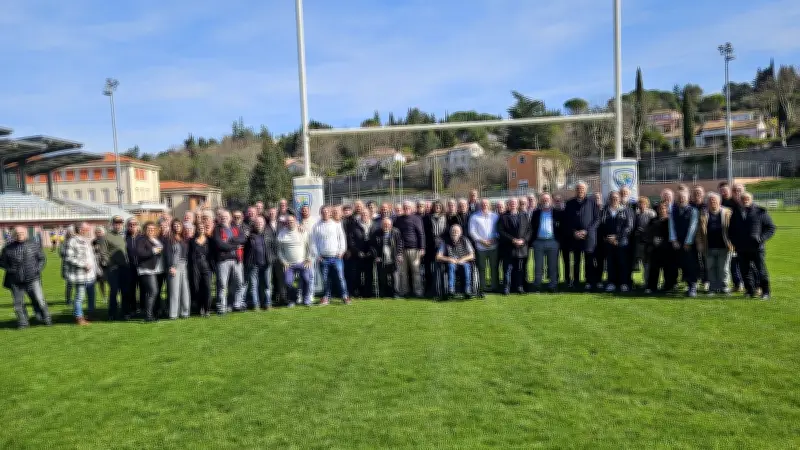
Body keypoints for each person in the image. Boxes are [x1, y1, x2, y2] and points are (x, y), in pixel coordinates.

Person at [0, 226, 52, 329]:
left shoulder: (34, 245)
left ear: (26, 234)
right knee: (18, 304)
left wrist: (36, 269)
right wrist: (10, 269)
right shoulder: (7, 248)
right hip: (15, 280)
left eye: (22, 233)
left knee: (39, 299)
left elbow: (42, 259)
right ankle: (23, 322)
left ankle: (46, 318)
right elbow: (1, 262)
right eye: (17, 234)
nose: (19, 235)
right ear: (14, 235)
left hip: (33, 278)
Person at [730, 192, 776, 300]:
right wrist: (734, 242)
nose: (745, 200)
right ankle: (749, 291)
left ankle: (766, 292)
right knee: (745, 271)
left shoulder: (760, 212)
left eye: (747, 198)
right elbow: (731, 230)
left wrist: (761, 239)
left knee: (761, 270)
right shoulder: (736, 213)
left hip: (757, 248)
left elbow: (771, 228)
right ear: (740, 200)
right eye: (743, 199)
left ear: (751, 199)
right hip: (741, 248)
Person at [565, 182, 600, 291]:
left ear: (586, 190)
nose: (580, 190)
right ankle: (575, 281)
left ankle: (588, 281)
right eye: (578, 189)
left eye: (582, 189)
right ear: (575, 190)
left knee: (589, 261)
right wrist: (574, 232)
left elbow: (597, 219)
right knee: (576, 261)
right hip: (575, 237)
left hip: (588, 237)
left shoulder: (592, 202)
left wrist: (586, 231)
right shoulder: (569, 203)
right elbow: (566, 220)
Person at [696, 193, 733, 295]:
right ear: (707, 202)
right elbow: (698, 231)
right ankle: (712, 288)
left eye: (714, 200)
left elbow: (734, 229)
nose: (712, 202)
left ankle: (724, 287)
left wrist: (733, 242)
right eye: (710, 200)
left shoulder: (727, 213)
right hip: (708, 246)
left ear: (719, 201)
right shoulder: (703, 214)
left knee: (724, 268)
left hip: (724, 246)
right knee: (711, 268)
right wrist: (699, 243)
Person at [211, 210, 246, 314]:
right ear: (219, 218)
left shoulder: (236, 228)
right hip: (223, 261)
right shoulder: (217, 230)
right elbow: (220, 244)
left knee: (239, 283)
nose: (224, 218)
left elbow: (243, 239)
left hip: (237, 260)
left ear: (230, 218)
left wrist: (229, 241)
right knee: (222, 285)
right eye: (222, 217)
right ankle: (222, 307)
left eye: (226, 216)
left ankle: (237, 304)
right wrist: (235, 246)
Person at [312, 206, 348, 305]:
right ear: (320, 213)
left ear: (330, 213)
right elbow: (313, 243)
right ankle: (326, 298)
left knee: (340, 278)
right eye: (323, 212)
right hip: (323, 258)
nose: (325, 213)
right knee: (325, 280)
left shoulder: (336, 224)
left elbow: (342, 239)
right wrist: (317, 255)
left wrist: (341, 252)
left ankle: (345, 296)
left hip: (336, 257)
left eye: (327, 212)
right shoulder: (317, 226)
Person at [598, 191, 634, 292]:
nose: (614, 199)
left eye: (616, 198)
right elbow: (600, 226)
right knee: (610, 263)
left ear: (619, 199)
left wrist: (617, 238)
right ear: (609, 199)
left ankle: (624, 283)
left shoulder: (625, 210)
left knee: (622, 263)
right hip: (608, 242)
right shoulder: (604, 211)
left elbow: (629, 226)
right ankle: (611, 283)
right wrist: (605, 237)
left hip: (622, 242)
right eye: (612, 198)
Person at [64, 222, 98, 325]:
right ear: (80, 230)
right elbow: (69, 258)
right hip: (80, 275)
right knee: (79, 297)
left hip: (91, 274)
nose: (89, 231)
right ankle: (79, 317)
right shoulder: (73, 241)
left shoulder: (87, 240)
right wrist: (83, 265)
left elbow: (91, 257)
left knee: (92, 296)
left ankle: (91, 315)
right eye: (87, 229)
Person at [278, 216, 315, 306]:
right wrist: (283, 262)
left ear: (295, 222)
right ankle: (292, 300)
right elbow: (279, 251)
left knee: (306, 279)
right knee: (288, 282)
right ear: (286, 223)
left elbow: (309, 246)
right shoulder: (282, 233)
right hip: (289, 264)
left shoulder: (302, 231)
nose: (290, 223)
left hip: (302, 262)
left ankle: (306, 299)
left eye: (292, 221)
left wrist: (308, 259)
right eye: (288, 221)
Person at [669, 189, 700, 297]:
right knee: (681, 264)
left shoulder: (694, 210)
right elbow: (671, 226)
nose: (681, 199)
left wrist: (688, 241)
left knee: (691, 265)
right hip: (677, 242)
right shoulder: (673, 210)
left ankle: (693, 286)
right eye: (679, 198)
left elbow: (693, 227)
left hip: (689, 243)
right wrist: (673, 240)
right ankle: (687, 284)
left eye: (683, 197)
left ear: (688, 199)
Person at [497, 198, 531, 295]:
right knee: (507, 269)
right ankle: (506, 288)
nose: (513, 204)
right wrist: (512, 240)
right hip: (508, 247)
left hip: (521, 248)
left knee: (520, 269)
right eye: (511, 203)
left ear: (517, 204)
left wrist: (523, 240)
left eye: (514, 203)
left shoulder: (524, 216)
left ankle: (519, 287)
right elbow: (501, 231)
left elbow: (529, 230)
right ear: (508, 205)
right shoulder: (503, 217)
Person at [530, 193, 562, 292]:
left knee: (553, 266)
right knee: (538, 266)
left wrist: (558, 241)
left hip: (553, 242)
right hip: (538, 242)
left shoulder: (556, 212)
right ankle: (537, 285)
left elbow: (561, 227)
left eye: (547, 199)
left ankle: (553, 286)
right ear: (540, 201)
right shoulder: (536, 212)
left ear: (551, 200)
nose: (545, 201)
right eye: (543, 200)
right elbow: (531, 227)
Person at [393, 201, 425, 298]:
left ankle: (418, 291)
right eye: (405, 207)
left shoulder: (417, 218)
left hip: (414, 249)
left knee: (416, 271)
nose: (406, 209)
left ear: (411, 208)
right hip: (401, 250)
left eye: (408, 207)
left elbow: (421, 234)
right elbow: (395, 234)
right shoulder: (398, 219)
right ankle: (403, 291)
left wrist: (422, 248)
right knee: (403, 272)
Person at [344, 201, 375, 298]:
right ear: (360, 215)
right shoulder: (355, 226)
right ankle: (357, 292)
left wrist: (371, 252)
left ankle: (367, 293)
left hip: (369, 254)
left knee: (368, 275)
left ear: (369, 215)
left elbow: (376, 240)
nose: (364, 215)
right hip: (357, 254)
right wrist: (357, 251)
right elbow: (351, 240)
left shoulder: (374, 226)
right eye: (363, 214)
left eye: (366, 214)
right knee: (357, 275)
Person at [469, 198, 499, 295]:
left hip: (493, 246)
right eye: (482, 204)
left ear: (489, 205)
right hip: (480, 247)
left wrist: (494, 238)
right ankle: (482, 287)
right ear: (479, 206)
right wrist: (482, 241)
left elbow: (499, 230)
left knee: (494, 267)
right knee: (481, 268)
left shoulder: (495, 216)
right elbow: (472, 231)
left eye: (486, 204)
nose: (484, 205)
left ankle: (494, 286)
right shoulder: (474, 217)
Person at [436, 224, 475, 298]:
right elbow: (438, 256)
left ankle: (467, 289)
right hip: (451, 263)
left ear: (461, 232)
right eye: (453, 231)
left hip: (463, 262)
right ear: (450, 232)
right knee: (451, 265)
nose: (455, 233)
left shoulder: (465, 240)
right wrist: (449, 259)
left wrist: (462, 259)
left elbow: (472, 255)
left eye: (457, 231)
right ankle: (451, 289)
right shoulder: (445, 241)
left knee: (466, 266)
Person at [135, 222, 164, 321]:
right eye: (149, 229)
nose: (151, 230)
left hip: (156, 269)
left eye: (153, 229)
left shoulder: (156, 239)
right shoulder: (141, 239)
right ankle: (148, 316)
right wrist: (153, 251)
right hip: (146, 269)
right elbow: (140, 253)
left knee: (152, 292)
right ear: (145, 230)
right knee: (153, 291)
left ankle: (152, 313)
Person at [244, 216, 274, 310]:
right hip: (253, 264)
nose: (259, 224)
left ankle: (267, 303)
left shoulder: (269, 234)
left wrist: (272, 258)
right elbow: (245, 248)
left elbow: (273, 247)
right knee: (254, 285)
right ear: (254, 224)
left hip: (266, 263)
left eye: (261, 223)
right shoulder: (250, 235)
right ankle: (255, 304)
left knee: (267, 284)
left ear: (264, 224)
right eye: (257, 223)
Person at [371, 217, 403, 298]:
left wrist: (399, 254)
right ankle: (383, 294)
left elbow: (400, 244)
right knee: (382, 277)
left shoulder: (396, 232)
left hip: (393, 257)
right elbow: (373, 246)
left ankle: (395, 294)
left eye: (388, 224)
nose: (386, 226)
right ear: (381, 225)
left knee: (395, 277)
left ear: (391, 225)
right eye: (384, 224)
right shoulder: (376, 233)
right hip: (381, 258)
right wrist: (376, 256)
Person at [165, 220, 191, 319]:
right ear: (172, 227)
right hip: (174, 266)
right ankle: (173, 314)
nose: (176, 227)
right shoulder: (169, 240)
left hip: (184, 266)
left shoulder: (184, 239)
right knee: (174, 291)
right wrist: (171, 267)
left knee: (185, 290)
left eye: (178, 225)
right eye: (174, 225)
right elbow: (168, 254)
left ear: (181, 226)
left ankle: (185, 312)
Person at [105, 216, 129, 320]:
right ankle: (112, 313)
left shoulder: (124, 235)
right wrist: (109, 264)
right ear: (112, 224)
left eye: (120, 223)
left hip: (124, 268)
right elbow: (103, 253)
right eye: (116, 223)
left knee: (125, 291)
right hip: (113, 269)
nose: (118, 225)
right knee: (114, 291)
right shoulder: (106, 236)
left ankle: (125, 312)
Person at [645, 202, 671, 294]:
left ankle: (667, 287)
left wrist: (663, 241)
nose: (661, 210)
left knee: (667, 269)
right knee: (654, 269)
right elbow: (648, 233)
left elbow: (671, 234)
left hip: (667, 249)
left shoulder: (669, 220)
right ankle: (652, 287)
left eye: (663, 208)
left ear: (666, 209)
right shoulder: (652, 220)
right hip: (654, 248)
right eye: (660, 208)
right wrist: (653, 240)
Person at [189, 222, 214, 317]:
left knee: (207, 287)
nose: (201, 229)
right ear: (197, 229)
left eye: (202, 227)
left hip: (207, 267)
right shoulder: (192, 241)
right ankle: (200, 308)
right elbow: (189, 255)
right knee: (197, 287)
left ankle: (207, 309)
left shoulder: (209, 240)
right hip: (196, 267)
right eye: (199, 228)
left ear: (205, 229)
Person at [423, 201, 447, 295]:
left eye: (439, 206)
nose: (437, 208)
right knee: (429, 267)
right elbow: (425, 232)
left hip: (441, 244)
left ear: (441, 207)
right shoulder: (427, 217)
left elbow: (447, 231)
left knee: (440, 267)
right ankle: (429, 287)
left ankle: (440, 287)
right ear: (433, 207)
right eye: (436, 206)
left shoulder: (445, 217)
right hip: (430, 245)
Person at [633, 197, 656, 286]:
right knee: (641, 262)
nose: (641, 205)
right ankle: (643, 281)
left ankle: (647, 281)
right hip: (638, 242)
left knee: (647, 263)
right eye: (640, 203)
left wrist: (645, 231)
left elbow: (654, 226)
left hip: (648, 242)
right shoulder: (636, 214)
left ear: (647, 204)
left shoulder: (651, 213)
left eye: (643, 203)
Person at [124, 218, 141, 317]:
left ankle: (143, 308)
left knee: (143, 289)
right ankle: (132, 309)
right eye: (130, 224)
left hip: (141, 267)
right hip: (130, 268)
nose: (132, 226)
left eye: (134, 224)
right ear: (127, 226)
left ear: (138, 226)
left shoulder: (142, 237)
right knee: (131, 290)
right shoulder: (125, 238)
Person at [92, 226, 110, 303]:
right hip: (98, 264)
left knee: (110, 281)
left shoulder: (107, 240)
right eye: (97, 232)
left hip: (108, 263)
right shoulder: (93, 241)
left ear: (103, 232)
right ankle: (104, 297)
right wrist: (95, 249)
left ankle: (112, 296)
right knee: (101, 281)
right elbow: (91, 252)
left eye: (100, 232)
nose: (98, 233)